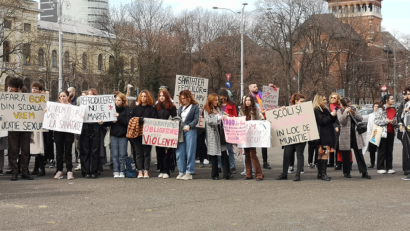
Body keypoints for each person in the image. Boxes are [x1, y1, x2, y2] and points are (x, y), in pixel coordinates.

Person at [337, 98, 371, 179]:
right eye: (347, 105)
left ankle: (364, 172)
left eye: (349, 104)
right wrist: (345, 113)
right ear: (342, 105)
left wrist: (353, 113)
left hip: (355, 134)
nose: (349, 107)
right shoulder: (340, 111)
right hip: (345, 135)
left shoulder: (354, 109)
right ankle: (346, 172)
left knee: (359, 154)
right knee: (346, 154)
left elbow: (360, 118)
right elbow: (342, 121)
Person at [6, 77, 33, 181]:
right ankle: (14, 171)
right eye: (10, 87)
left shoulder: (26, 97)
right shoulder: (6, 97)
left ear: (18, 87)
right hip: (13, 127)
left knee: (25, 150)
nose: (10, 88)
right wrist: (9, 94)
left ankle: (24, 171)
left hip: (25, 127)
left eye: (13, 87)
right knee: (13, 150)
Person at [276, 93, 307, 181]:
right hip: (290, 136)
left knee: (299, 155)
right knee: (286, 155)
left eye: (304, 101)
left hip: (301, 137)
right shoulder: (288, 110)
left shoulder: (306, 111)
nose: (303, 103)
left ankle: (297, 175)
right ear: (296, 101)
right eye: (301, 101)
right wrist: (281, 111)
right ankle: (284, 174)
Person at [129, 90, 157, 179]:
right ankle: (139, 170)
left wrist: (146, 120)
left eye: (145, 96)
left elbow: (155, 119)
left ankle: (146, 170)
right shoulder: (135, 109)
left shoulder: (152, 109)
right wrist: (141, 119)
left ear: (148, 97)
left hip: (148, 133)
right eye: (142, 96)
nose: (143, 98)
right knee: (138, 153)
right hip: (137, 133)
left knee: (147, 153)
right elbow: (132, 119)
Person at [80, 88, 106, 179]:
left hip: (95, 129)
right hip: (85, 129)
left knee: (95, 151)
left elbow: (105, 117)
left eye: (92, 94)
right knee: (85, 151)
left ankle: (94, 171)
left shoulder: (99, 106)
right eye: (88, 94)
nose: (90, 96)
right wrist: (80, 116)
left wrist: (102, 121)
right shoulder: (82, 106)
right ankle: (86, 171)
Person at [203, 93, 231, 180]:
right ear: (210, 100)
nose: (217, 101)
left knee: (224, 153)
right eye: (215, 100)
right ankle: (215, 174)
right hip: (212, 134)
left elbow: (223, 117)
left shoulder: (219, 108)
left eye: (217, 100)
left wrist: (225, 116)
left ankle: (227, 173)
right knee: (213, 155)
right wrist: (219, 118)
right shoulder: (206, 110)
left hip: (221, 133)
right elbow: (208, 121)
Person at [239, 94, 264, 181]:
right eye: (246, 100)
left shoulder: (256, 109)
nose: (247, 102)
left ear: (252, 101)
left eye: (249, 100)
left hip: (253, 135)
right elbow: (239, 120)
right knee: (246, 155)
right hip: (245, 135)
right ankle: (248, 174)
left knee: (253, 155)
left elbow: (261, 119)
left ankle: (259, 174)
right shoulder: (242, 110)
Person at [175, 90, 200, 180]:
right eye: (181, 99)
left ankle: (189, 171)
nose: (183, 100)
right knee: (180, 151)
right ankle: (181, 171)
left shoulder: (195, 107)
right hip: (181, 131)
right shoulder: (180, 108)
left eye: (184, 98)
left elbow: (196, 119)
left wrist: (190, 126)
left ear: (188, 97)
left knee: (190, 152)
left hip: (190, 131)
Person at [105, 93, 131, 178]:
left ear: (123, 101)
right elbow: (107, 122)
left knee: (122, 154)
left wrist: (119, 117)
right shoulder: (112, 109)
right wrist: (106, 123)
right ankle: (116, 170)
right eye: (115, 100)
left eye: (119, 100)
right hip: (114, 134)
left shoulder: (127, 110)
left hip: (123, 135)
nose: (117, 102)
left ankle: (122, 171)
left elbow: (128, 122)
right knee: (115, 154)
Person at [51, 90, 76, 180]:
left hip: (68, 131)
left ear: (68, 97)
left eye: (64, 96)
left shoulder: (72, 108)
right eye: (60, 96)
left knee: (68, 152)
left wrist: (80, 117)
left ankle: (69, 171)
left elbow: (76, 117)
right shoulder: (55, 107)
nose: (62, 98)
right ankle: (59, 170)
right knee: (59, 152)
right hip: (58, 131)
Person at [312, 94, 336, 181]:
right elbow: (322, 121)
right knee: (324, 154)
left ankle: (320, 173)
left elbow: (331, 121)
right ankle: (323, 173)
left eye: (326, 99)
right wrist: (330, 115)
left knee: (322, 154)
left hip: (326, 134)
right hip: (323, 135)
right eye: (323, 99)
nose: (325, 101)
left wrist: (333, 115)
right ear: (318, 100)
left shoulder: (325, 109)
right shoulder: (317, 109)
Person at [249, 83, 272, 169]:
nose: (256, 88)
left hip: (263, 120)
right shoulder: (249, 97)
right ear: (250, 89)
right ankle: (252, 163)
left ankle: (265, 162)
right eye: (254, 87)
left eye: (256, 86)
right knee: (252, 143)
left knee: (264, 142)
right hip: (254, 120)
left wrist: (270, 88)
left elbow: (268, 98)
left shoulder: (260, 95)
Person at [155, 89, 177, 179]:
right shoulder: (156, 106)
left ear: (166, 96)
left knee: (167, 152)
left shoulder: (172, 107)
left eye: (163, 96)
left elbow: (175, 118)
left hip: (168, 133)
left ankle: (166, 170)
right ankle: (161, 169)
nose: (161, 97)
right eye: (160, 96)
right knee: (159, 151)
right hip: (158, 132)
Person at [374, 94, 396, 174]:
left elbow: (394, 119)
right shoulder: (381, 109)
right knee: (382, 150)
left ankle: (389, 167)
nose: (393, 100)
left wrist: (394, 122)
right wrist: (386, 121)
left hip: (391, 132)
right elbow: (376, 121)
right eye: (392, 99)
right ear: (387, 100)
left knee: (389, 150)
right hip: (383, 132)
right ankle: (380, 167)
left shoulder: (393, 110)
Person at [219, 88, 237, 174]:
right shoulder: (217, 105)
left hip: (229, 128)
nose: (223, 100)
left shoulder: (232, 104)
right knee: (219, 148)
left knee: (230, 148)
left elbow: (235, 116)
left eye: (224, 98)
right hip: (220, 127)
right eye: (221, 99)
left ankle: (232, 166)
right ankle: (220, 166)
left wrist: (228, 115)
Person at [30, 82, 46, 177]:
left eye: (36, 89)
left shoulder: (43, 100)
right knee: (33, 147)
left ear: (40, 91)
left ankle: (41, 168)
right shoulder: (29, 99)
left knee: (40, 148)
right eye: (33, 89)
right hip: (31, 126)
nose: (34, 90)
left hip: (40, 127)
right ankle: (36, 168)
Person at [362, 102, 380, 168]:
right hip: (372, 134)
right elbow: (369, 125)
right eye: (375, 106)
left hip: (379, 133)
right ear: (373, 107)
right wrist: (369, 134)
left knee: (380, 150)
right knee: (372, 149)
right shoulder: (370, 115)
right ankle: (372, 163)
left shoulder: (381, 115)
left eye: (378, 106)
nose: (376, 107)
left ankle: (380, 163)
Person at [397, 88, 410, 175]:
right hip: (406, 129)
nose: (406, 96)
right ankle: (406, 168)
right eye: (405, 94)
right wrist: (400, 124)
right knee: (406, 149)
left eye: (408, 94)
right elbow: (399, 116)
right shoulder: (403, 104)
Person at [328, 93, 341, 168]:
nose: (332, 99)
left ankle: (338, 162)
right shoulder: (328, 106)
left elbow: (339, 119)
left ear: (338, 99)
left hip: (336, 128)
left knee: (337, 145)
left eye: (334, 98)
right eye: (331, 97)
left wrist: (337, 126)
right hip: (329, 128)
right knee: (330, 145)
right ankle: (331, 162)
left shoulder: (339, 107)